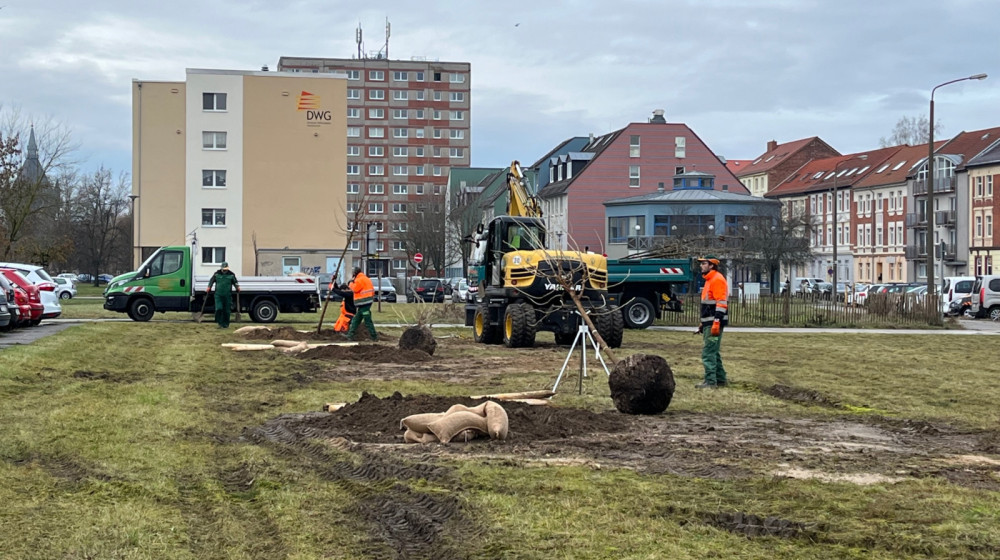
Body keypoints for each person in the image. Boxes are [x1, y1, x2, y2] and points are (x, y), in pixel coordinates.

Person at [696, 256, 728, 388]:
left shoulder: (717, 280)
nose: (701, 266)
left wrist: (716, 322)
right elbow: (709, 305)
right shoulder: (710, 280)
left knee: (708, 352)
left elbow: (721, 303)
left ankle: (710, 382)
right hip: (710, 323)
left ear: (711, 265)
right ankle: (720, 380)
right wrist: (703, 323)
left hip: (715, 323)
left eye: (704, 263)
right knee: (714, 351)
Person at [346, 267, 378, 341]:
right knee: (356, 319)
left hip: (363, 302)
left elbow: (355, 289)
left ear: (355, 273)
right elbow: (372, 290)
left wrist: (350, 283)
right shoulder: (366, 278)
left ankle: (374, 337)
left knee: (367, 320)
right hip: (367, 301)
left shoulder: (359, 280)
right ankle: (350, 335)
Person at [207, 261, 239, 329]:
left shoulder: (231, 275)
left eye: (226, 269)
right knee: (219, 308)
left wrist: (237, 287)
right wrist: (209, 287)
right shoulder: (217, 274)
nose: (225, 271)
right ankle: (219, 323)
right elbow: (211, 280)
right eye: (224, 269)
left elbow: (235, 282)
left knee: (227, 311)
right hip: (218, 295)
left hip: (227, 296)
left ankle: (226, 325)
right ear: (221, 268)